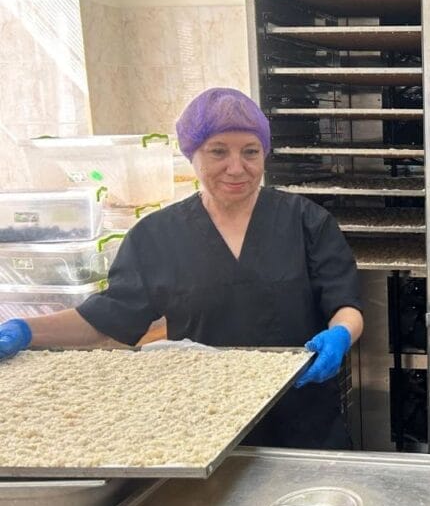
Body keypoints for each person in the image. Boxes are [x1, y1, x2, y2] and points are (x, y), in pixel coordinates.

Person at [0, 87, 363, 449]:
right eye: (218, 151)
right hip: (203, 423)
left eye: (250, 152)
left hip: (303, 418)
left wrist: (342, 333)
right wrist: (25, 330)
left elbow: (344, 302)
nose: (236, 168)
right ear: (192, 153)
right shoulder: (157, 236)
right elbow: (106, 320)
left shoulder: (307, 221)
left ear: (264, 153)